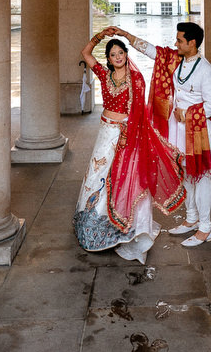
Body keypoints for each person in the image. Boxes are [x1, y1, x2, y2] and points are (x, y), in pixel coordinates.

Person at [72, 30, 185, 263]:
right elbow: (85, 53)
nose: (118, 57)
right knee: (97, 174)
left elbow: (139, 113)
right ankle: (93, 224)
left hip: (127, 133)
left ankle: (126, 228)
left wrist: (127, 133)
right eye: (113, 54)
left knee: (125, 177)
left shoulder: (136, 79)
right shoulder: (103, 74)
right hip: (106, 132)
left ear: (126, 54)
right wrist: (100, 35)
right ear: (109, 58)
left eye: (121, 53)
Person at [105, 22, 211, 247]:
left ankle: (206, 228)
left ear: (192, 43)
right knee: (186, 173)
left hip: (199, 131)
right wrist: (125, 34)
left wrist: (186, 113)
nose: (175, 44)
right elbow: (151, 50)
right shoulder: (176, 60)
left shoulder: (206, 70)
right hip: (179, 128)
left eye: (179, 41)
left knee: (202, 178)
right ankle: (191, 219)